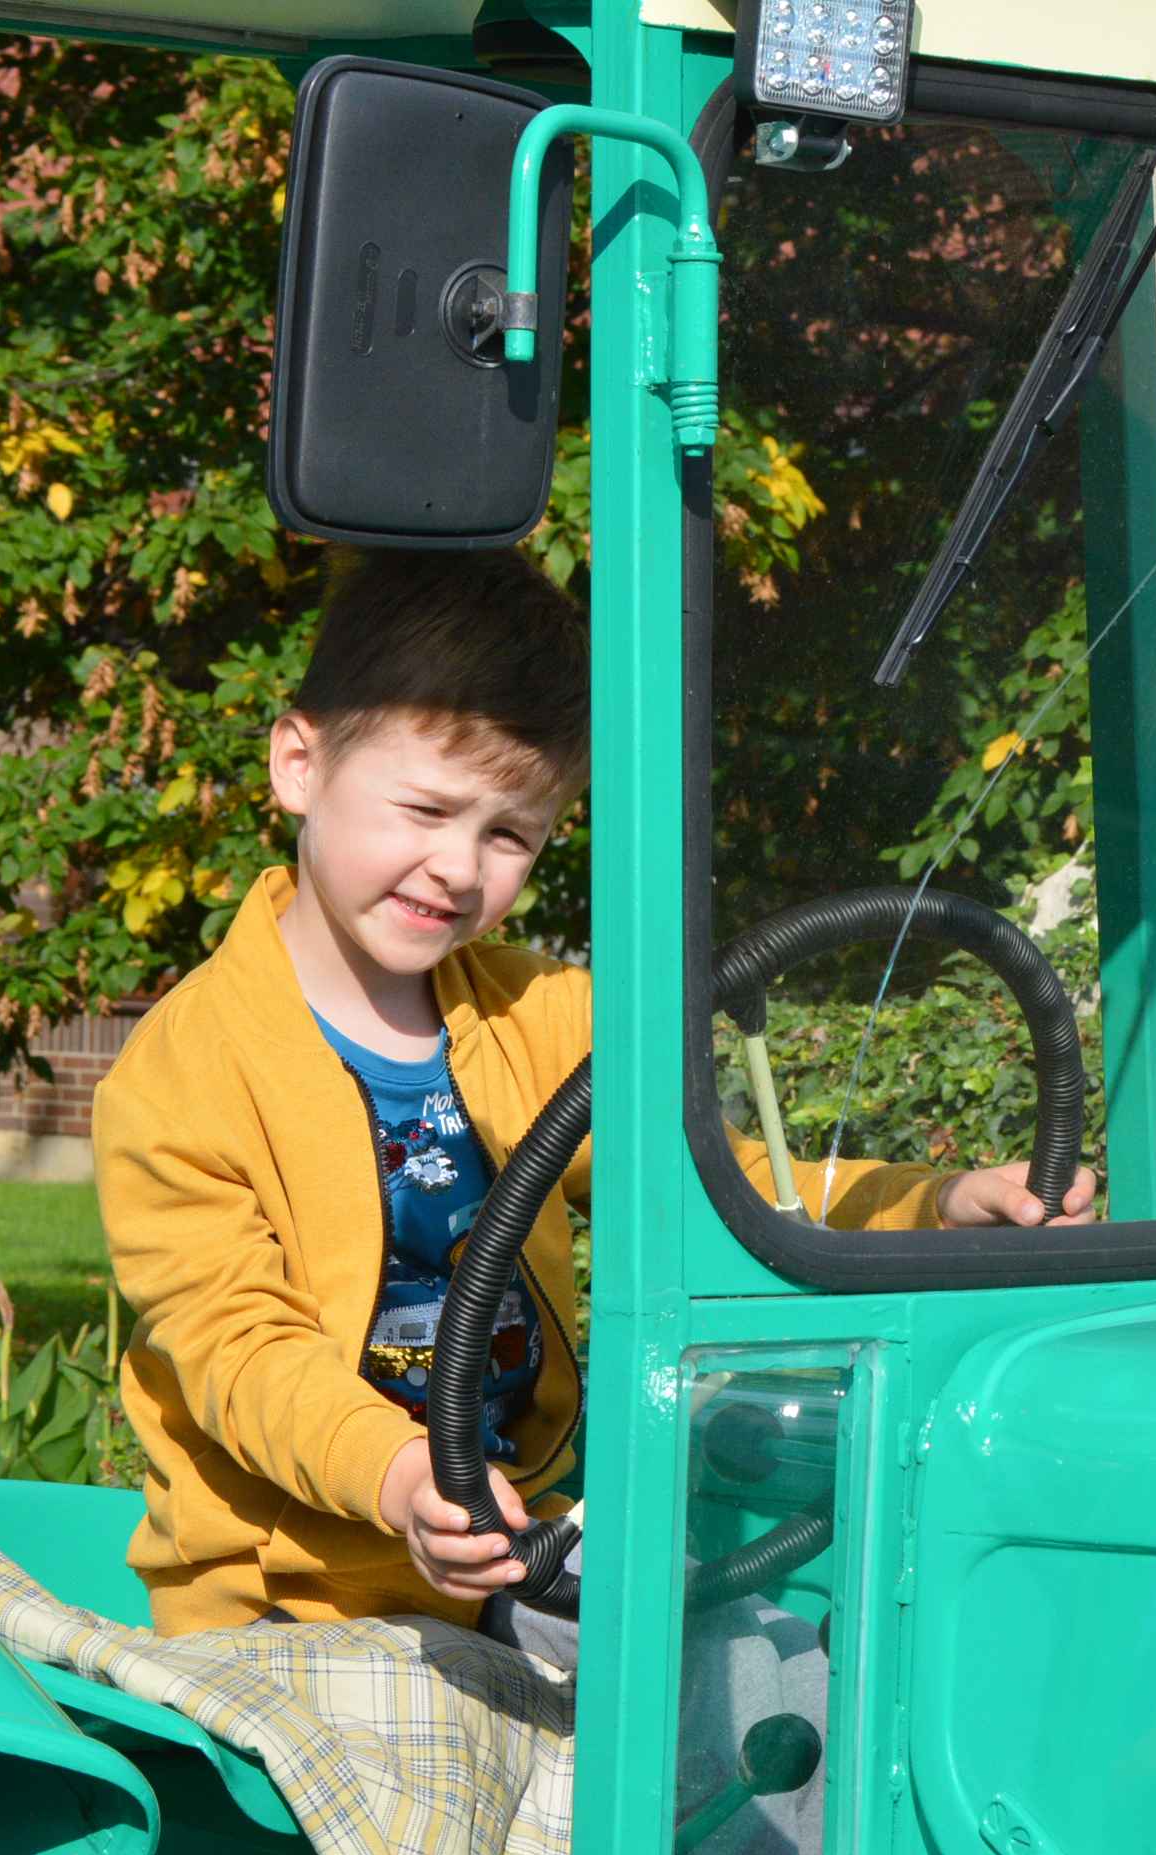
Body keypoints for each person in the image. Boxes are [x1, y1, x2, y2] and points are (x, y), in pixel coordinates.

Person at [94, 549, 1095, 1636]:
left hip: (520, 1558)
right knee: (453, 1771)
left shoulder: (547, 1019)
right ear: (299, 762)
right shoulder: (184, 1071)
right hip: (294, 1601)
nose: (458, 868)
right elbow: (238, 1346)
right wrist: (396, 1473)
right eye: (425, 808)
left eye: (507, 833)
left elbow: (726, 1189)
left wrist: (931, 1204)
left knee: (785, 1678)